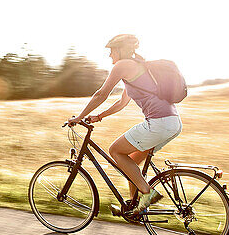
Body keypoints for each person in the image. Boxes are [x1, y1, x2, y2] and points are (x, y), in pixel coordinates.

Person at [68, 34, 182, 214]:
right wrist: (99, 116)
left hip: (158, 123)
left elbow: (101, 94)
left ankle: (148, 194)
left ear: (121, 50)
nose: (110, 55)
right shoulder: (137, 68)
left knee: (115, 151)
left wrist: (79, 116)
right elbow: (122, 102)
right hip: (173, 122)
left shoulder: (123, 65)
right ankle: (136, 209)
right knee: (131, 166)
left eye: (112, 51)